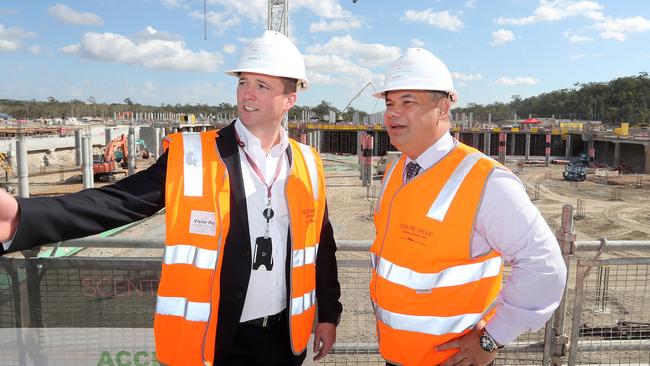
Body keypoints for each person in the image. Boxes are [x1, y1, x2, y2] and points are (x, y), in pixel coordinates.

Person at [0, 30, 342, 366]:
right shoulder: (192, 155)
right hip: (218, 342)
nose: (247, 94)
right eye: (243, 82)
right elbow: (118, 202)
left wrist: (329, 313)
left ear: (290, 99)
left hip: (286, 340)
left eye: (262, 86)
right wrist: (20, 217)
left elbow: (320, 247)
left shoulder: (308, 163)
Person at [369, 48, 567, 366]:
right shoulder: (397, 169)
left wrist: (491, 339)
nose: (392, 113)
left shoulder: (486, 181)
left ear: (443, 108)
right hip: (396, 354)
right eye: (390, 103)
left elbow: (545, 268)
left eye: (408, 102)